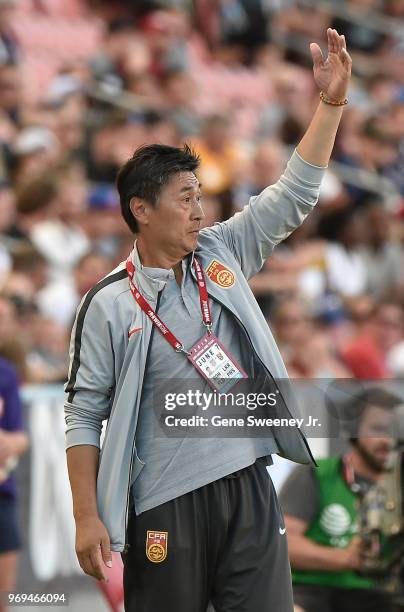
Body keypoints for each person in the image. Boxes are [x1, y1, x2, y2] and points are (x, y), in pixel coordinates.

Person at [64, 28, 352, 612]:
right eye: (186, 197)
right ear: (141, 211)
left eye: (202, 194)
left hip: (250, 484)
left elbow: (295, 193)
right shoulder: (109, 303)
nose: (201, 210)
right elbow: (83, 414)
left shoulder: (221, 251)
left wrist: (330, 105)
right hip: (165, 502)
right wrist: (86, 516)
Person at [280, 388, 400, 612]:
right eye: (377, 429)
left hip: (380, 595)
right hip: (310, 590)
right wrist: (345, 559)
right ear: (353, 430)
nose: (387, 440)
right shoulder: (317, 473)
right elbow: (283, 544)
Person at [0, 356, 29, 612]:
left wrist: (9, 444)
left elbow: (20, 437)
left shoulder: (6, 372)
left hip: (3, 493)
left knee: (4, 595)